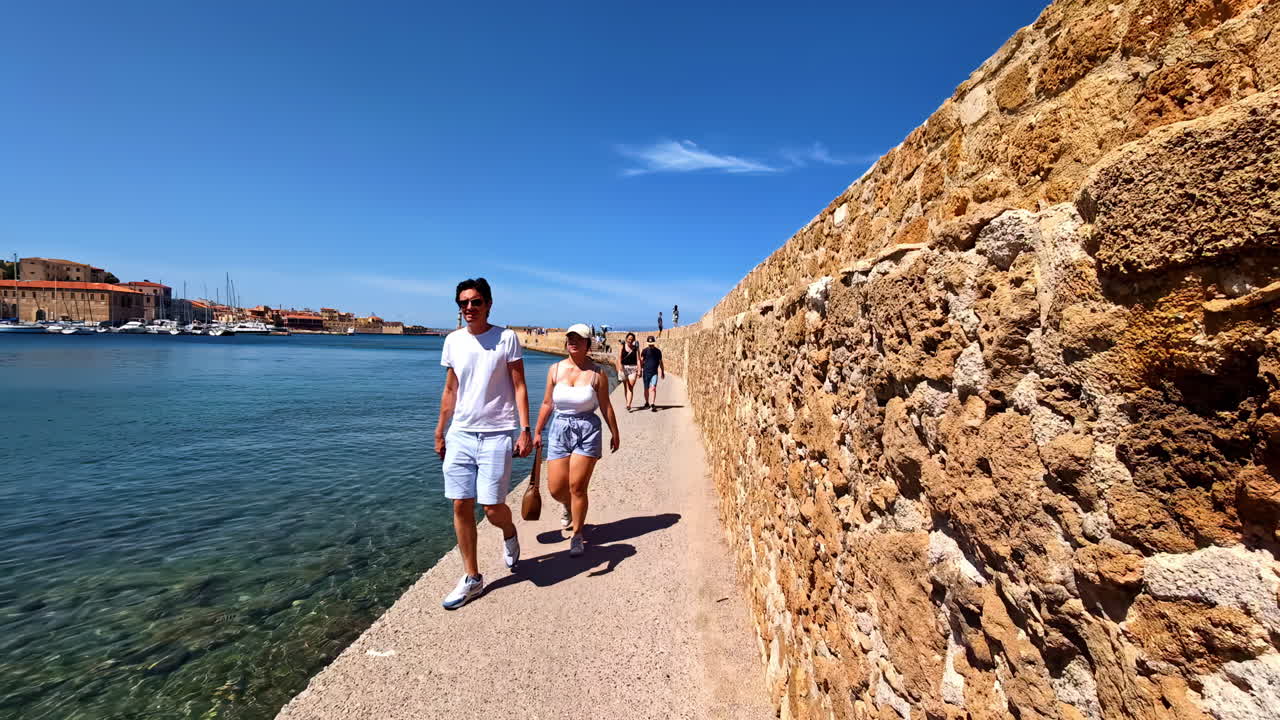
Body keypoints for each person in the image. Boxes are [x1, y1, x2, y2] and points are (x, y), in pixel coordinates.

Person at [435, 278, 532, 610]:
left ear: (488, 304)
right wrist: (440, 430)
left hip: (497, 433)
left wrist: (525, 430)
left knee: (492, 508)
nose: (469, 308)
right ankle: (472, 578)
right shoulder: (452, 341)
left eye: (476, 302)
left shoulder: (506, 338)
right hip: (460, 433)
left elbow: (519, 385)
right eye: (463, 303)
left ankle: (509, 532)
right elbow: (451, 390)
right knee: (460, 504)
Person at [533, 323, 620, 557]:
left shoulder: (597, 374)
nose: (573, 342)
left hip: (587, 430)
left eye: (578, 339)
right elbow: (547, 403)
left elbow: (606, 405)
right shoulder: (554, 370)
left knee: (577, 487)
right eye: (570, 338)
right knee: (556, 488)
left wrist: (615, 431)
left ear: (587, 344)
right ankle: (568, 507)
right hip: (559, 428)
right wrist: (537, 430)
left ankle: (577, 535)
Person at [616, 332, 640, 411]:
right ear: (626, 339)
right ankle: (627, 402)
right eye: (629, 339)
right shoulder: (622, 346)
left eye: (632, 339)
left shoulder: (636, 348)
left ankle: (629, 404)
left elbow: (638, 360)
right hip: (624, 368)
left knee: (630, 386)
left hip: (633, 368)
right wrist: (620, 367)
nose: (630, 340)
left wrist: (639, 370)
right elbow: (619, 358)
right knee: (625, 387)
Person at [640, 335, 664, 412]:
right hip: (646, 373)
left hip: (654, 373)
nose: (651, 345)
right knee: (646, 389)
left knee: (653, 388)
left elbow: (661, 362)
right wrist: (639, 370)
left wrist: (662, 371)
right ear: (648, 343)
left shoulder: (658, 351)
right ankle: (647, 402)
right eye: (650, 344)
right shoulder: (644, 351)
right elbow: (641, 361)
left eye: (652, 343)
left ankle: (652, 404)